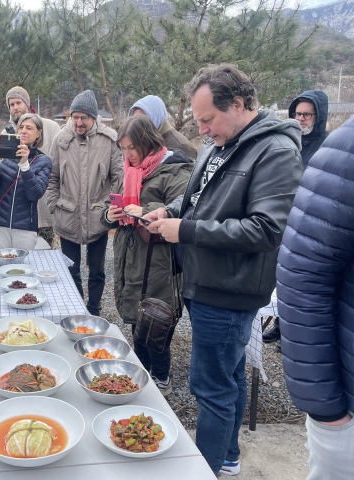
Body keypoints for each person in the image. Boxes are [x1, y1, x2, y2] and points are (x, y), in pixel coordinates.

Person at [145, 64, 303, 476]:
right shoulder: (221, 144)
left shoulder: (275, 151)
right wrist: (171, 210)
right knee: (227, 377)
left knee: (210, 388)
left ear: (238, 104)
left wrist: (187, 230)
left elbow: (267, 229)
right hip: (205, 281)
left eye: (207, 120)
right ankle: (229, 459)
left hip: (229, 288)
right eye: (198, 121)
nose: (202, 130)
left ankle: (208, 469)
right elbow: (197, 200)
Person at [277, 117, 354, 480]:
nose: (203, 130)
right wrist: (327, 414)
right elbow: (303, 279)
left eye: (208, 119)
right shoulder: (346, 148)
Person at [101, 115, 193, 396]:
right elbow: (110, 210)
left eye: (131, 148)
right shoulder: (128, 170)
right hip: (128, 256)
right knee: (133, 314)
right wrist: (110, 214)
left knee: (156, 319)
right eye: (123, 149)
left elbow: (184, 210)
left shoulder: (176, 170)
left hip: (158, 260)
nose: (127, 155)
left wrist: (145, 208)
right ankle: (141, 371)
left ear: (147, 142)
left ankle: (162, 378)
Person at [47, 89, 124, 316]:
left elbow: (118, 177)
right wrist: (53, 204)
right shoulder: (60, 140)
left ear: (93, 118)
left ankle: (94, 310)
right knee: (71, 269)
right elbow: (52, 177)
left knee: (97, 271)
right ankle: (77, 309)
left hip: (98, 217)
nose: (79, 122)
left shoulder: (109, 140)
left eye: (84, 118)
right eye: (75, 117)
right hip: (67, 215)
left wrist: (110, 208)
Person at [263, 89, 331, 344]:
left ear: (319, 116)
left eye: (307, 114)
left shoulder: (328, 145)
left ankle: (300, 335)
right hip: (284, 221)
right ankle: (282, 325)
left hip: (313, 225)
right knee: (284, 277)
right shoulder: (288, 142)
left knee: (307, 283)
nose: (301, 119)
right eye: (296, 113)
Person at [0, 113, 52, 250]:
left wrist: (25, 165)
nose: (23, 131)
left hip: (25, 227)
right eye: (21, 127)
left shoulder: (43, 161)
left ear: (38, 133)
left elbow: (34, 194)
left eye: (29, 128)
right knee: (0, 265)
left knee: (23, 268)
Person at [4, 86, 61, 248]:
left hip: (45, 204)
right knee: (21, 258)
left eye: (18, 103)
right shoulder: (8, 132)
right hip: (18, 212)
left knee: (49, 257)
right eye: (11, 104)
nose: (15, 108)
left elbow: (59, 164)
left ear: (27, 104)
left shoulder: (51, 127)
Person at [129, 95, 198, 160]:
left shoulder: (181, 146)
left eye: (143, 118)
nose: (138, 123)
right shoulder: (146, 140)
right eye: (135, 118)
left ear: (156, 117)